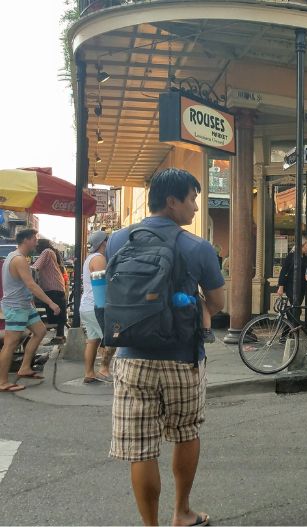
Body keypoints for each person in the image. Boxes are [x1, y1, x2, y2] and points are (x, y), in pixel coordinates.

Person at [106, 168, 224, 527]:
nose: (195, 206)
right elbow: (218, 302)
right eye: (192, 199)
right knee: (186, 433)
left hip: (131, 357)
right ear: (172, 201)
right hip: (182, 358)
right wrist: (201, 309)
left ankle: (151, 526)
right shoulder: (198, 246)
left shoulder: (117, 240)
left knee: (141, 450)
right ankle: (182, 512)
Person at [0, 229, 61, 393]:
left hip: (25, 305)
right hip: (16, 306)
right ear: (26, 240)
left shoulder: (16, 257)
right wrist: (51, 303)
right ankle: (2, 382)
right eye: (34, 239)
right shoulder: (18, 259)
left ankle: (25, 367)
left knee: (40, 331)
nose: (36, 242)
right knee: (11, 343)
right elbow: (31, 285)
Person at [80, 230, 113, 384]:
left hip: (86, 306)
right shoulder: (99, 259)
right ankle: (104, 369)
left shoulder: (89, 259)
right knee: (111, 339)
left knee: (92, 340)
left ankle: (89, 373)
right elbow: (101, 286)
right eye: (108, 239)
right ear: (103, 243)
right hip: (96, 305)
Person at [32, 238, 67, 345]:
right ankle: (59, 336)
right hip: (56, 287)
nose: (35, 247)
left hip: (52, 287)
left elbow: (35, 267)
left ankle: (59, 337)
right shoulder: (51, 252)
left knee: (55, 314)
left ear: (41, 246)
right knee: (57, 313)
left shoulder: (46, 252)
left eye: (36, 245)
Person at [277, 236, 307, 311]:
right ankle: (291, 322)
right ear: (301, 245)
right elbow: (284, 271)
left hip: (302, 287)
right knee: (295, 308)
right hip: (291, 286)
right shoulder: (291, 256)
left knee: (297, 308)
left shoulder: (306, 258)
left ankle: (293, 322)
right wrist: (281, 286)